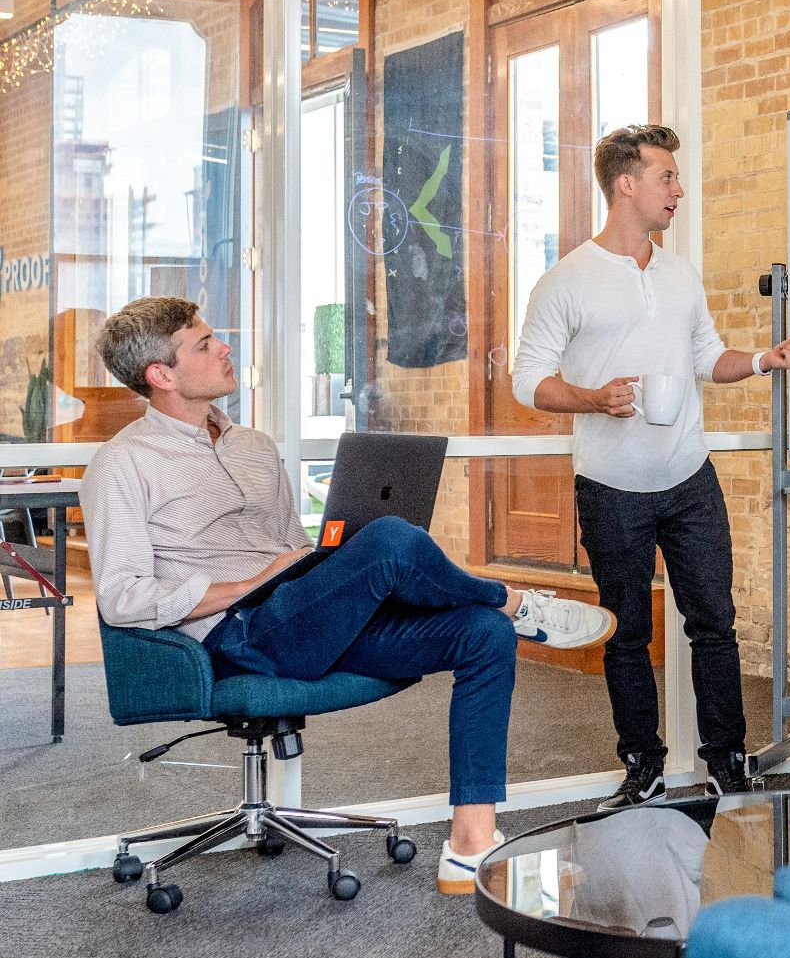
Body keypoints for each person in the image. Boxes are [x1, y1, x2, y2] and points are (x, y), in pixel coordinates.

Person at [80, 297, 616, 894]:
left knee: (479, 634)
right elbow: (123, 598)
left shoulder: (253, 446)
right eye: (204, 344)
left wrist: (327, 559)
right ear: (161, 374)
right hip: (240, 634)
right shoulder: (122, 464)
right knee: (390, 541)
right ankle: (513, 602)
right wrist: (250, 582)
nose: (225, 347)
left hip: (303, 613)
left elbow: (292, 545)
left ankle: (470, 843)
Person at [512, 124, 790, 808]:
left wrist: (766, 359)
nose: (678, 189)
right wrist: (595, 397)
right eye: (666, 176)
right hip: (611, 486)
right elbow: (527, 381)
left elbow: (709, 358)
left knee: (714, 622)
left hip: (689, 479)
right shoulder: (567, 280)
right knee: (626, 628)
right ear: (627, 183)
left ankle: (725, 761)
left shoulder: (679, 275)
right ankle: (643, 763)